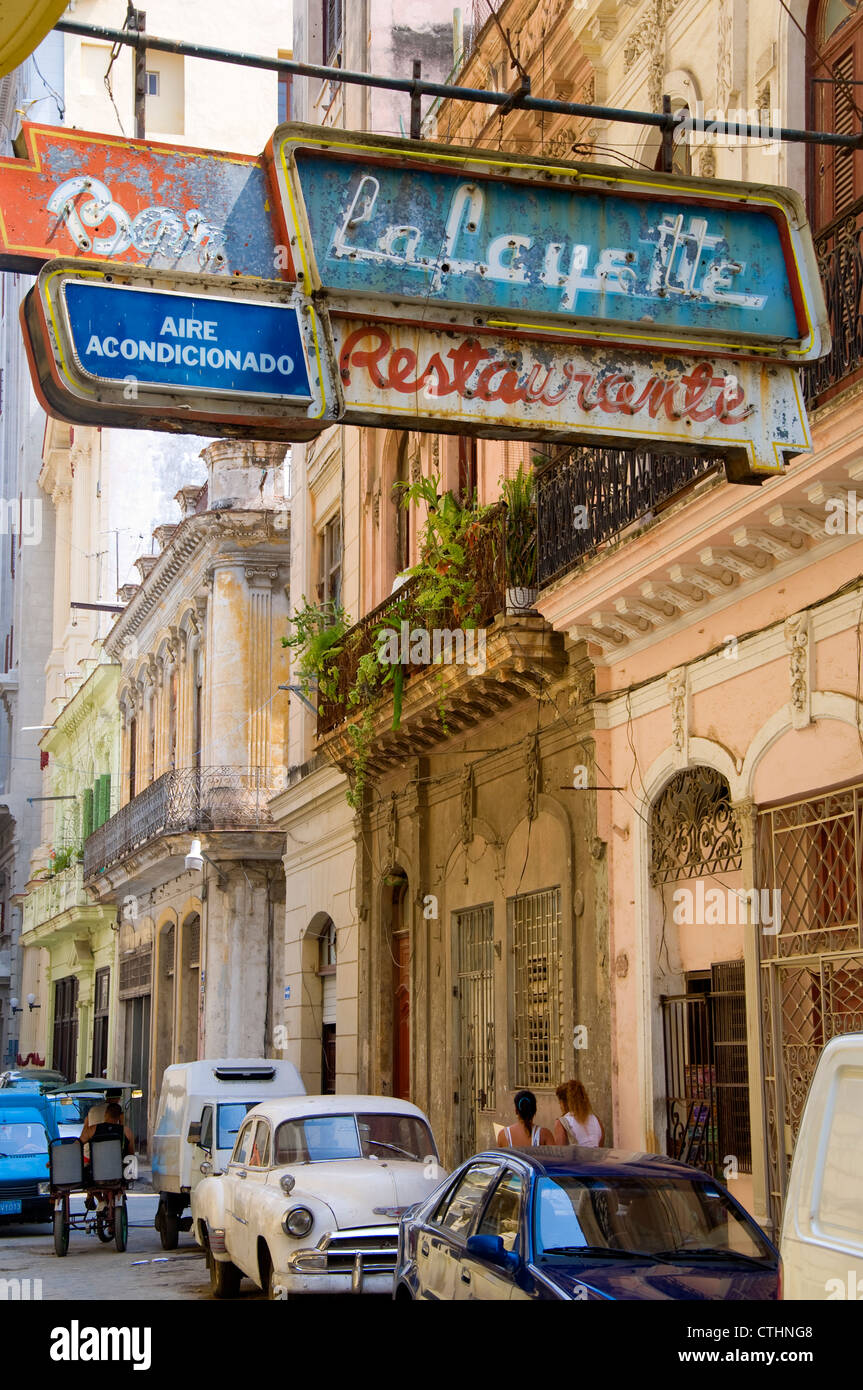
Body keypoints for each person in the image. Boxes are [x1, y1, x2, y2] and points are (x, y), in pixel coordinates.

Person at [80, 1102, 135, 1210]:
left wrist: (86, 1125)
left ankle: (101, 1201)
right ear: (119, 1116)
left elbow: (78, 1143)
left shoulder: (93, 1129)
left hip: (96, 1172)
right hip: (118, 1172)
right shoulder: (126, 1131)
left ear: (105, 1114)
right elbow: (131, 1153)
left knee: (86, 1176)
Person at [554, 1079, 604, 1147]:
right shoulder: (596, 1120)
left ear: (564, 1103)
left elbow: (560, 1152)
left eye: (560, 1102)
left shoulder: (562, 1123)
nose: (560, 1106)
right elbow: (600, 1149)